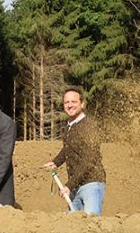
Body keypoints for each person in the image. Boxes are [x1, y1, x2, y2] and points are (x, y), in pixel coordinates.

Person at [42, 86, 106, 215]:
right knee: (74, 228)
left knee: (91, 226)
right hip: (76, 186)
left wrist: (69, 185)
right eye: (67, 102)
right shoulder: (70, 125)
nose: (70, 105)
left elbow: (89, 159)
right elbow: (68, 149)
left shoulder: (89, 126)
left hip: (91, 184)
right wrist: (55, 162)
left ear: (82, 104)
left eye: (73, 102)